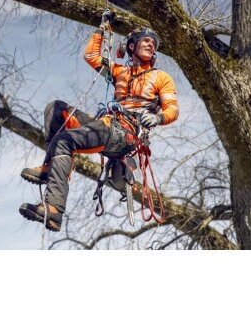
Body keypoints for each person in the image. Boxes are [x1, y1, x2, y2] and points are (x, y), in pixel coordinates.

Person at [19, 19, 179, 231]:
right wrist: (102, 31)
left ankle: (54, 209)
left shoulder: (161, 77)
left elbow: (172, 109)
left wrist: (158, 118)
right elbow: (92, 56)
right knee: (56, 109)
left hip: (125, 133)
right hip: (107, 125)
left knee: (64, 141)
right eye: (146, 41)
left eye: (154, 43)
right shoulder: (120, 72)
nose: (151, 45)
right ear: (132, 46)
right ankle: (50, 167)